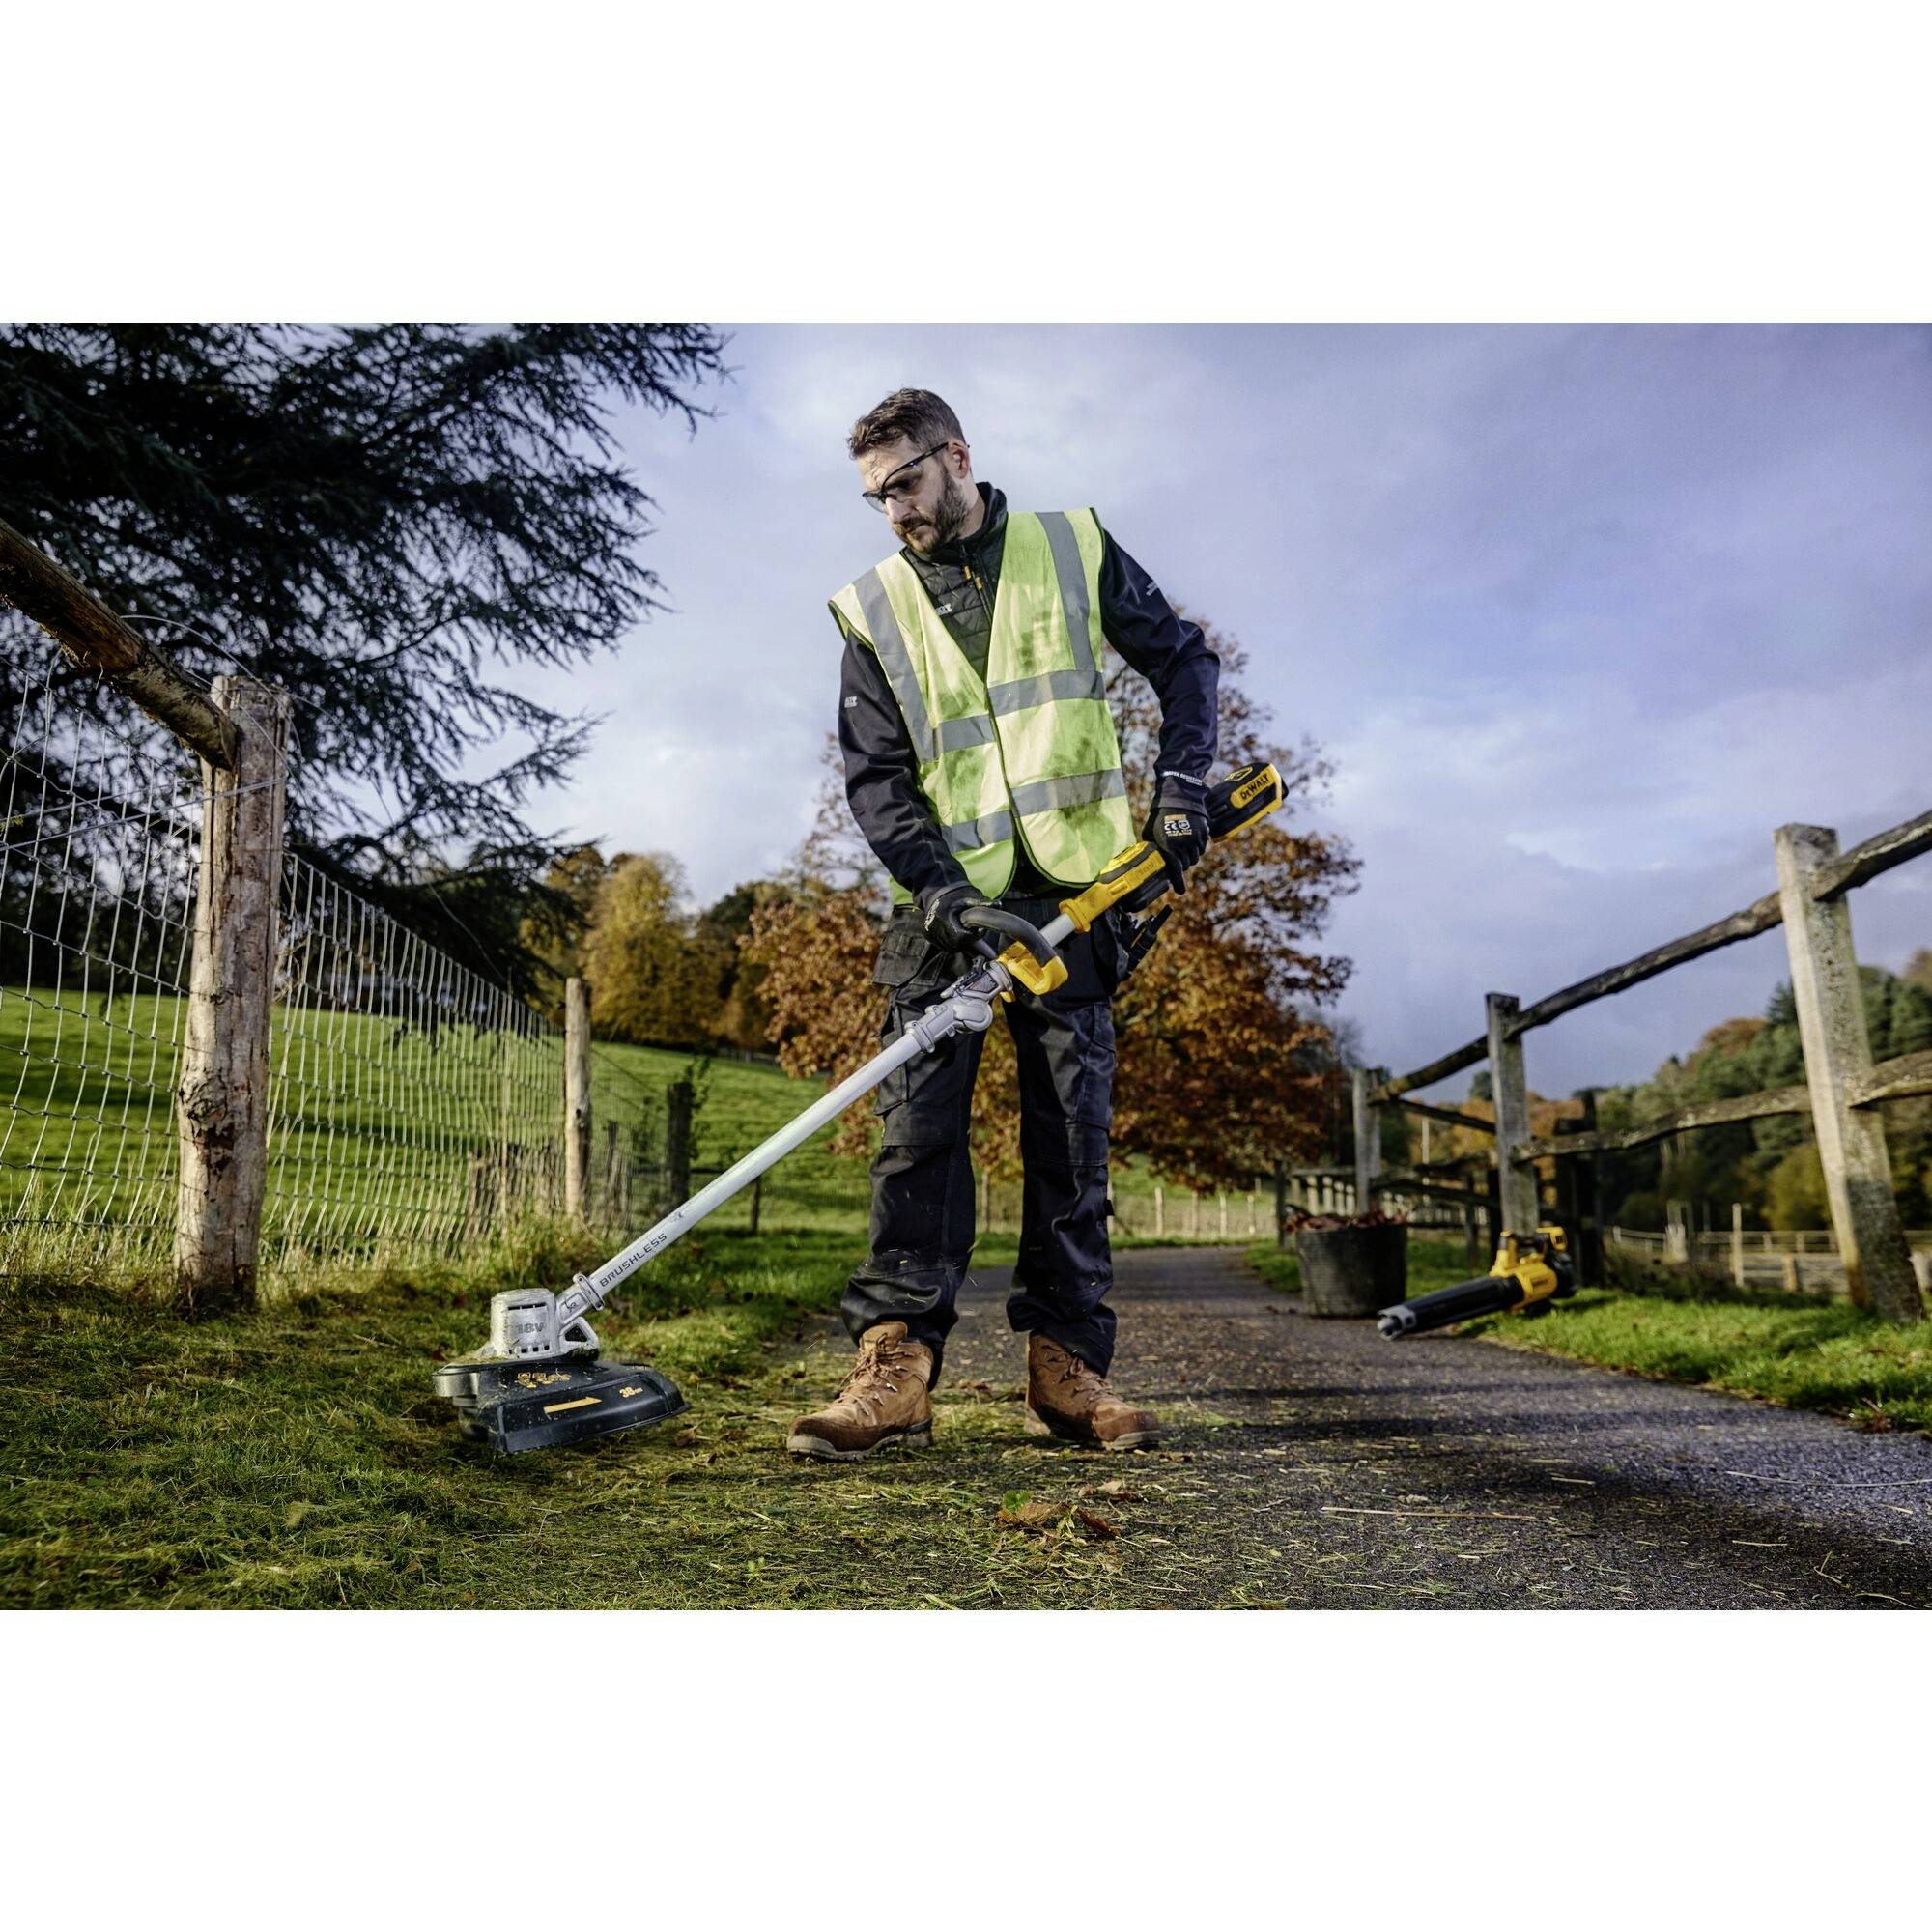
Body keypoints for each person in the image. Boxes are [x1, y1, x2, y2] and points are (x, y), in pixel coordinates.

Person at [785, 388, 1219, 1461]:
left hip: (1079, 892)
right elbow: (878, 779)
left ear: (956, 457)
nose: (894, 513)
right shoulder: (872, 608)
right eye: (873, 497)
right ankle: (894, 1367)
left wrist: (1179, 786)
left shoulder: (1071, 547)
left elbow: (1184, 663)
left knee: (1070, 1137)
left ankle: (1065, 1367)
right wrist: (943, 894)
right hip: (945, 909)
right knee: (914, 1140)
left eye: (905, 485)